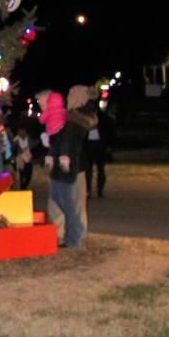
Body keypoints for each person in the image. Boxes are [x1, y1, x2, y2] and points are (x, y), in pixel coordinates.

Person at [36, 88, 86, 248]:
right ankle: (65, 236)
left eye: (42, 101)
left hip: (70, 167)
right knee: (59, 202)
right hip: (58, 166)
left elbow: (68, 143)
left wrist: (55, 149)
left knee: (70, 204)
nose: (68, 97)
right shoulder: (60, 117)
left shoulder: (74, 119)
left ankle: (75, 238)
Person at [66, 85, 98, 243]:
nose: (68, 98)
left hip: (77, 162)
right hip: (72, 161)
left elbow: (90, 123)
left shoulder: (80, 116)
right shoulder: (71, 115)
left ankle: (78, 233)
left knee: (77, 201)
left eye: (71, 95)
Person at [84, 94, 115, 198]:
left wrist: (109, 146)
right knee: (88, 170)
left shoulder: (102, 117)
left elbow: (109, 132)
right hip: (88, 145)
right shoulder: (84, 117)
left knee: (100, 169)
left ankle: (100, 191)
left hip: (99, 145)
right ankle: (88, 191)